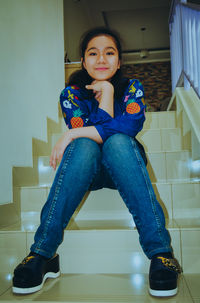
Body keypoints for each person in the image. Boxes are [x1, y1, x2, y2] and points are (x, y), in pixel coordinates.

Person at [12, 27, 181, 297]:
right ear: (83, 61)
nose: (101, 59)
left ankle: (161, 253)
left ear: (119, 61)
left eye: (109, 52)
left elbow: (130, 126)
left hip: (124, 167)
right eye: (93, 53)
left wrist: (105, 98)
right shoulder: (71, 95)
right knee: (85, 144)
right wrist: (78, 134)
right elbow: (97, 136)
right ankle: (42, 253)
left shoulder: (133, 88)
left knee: (117, 141)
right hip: (85, 170)